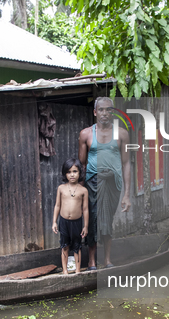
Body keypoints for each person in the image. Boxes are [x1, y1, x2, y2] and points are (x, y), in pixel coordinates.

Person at [78, 97, 131, 270]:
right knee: (92, 220)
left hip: (113, 183)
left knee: (107, 220)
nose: (105, 113)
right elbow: (82, 163)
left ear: (113, 113)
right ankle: (92, 261)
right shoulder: (86, 134)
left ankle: (107, 260)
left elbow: (126, 163)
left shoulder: (122, 133)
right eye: (101, 110)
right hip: (93, 182)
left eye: (109, 110)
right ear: (95, 112)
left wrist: (127, 194)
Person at [52, 158, 89, 274]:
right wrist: (54, 222)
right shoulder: (61, 188)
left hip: (77, 222)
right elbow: (57, 206)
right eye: (68, 172)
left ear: (80, 173)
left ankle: (77, 271)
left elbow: (85, 209)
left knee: (77, 247)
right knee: (65, 246)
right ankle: (65, 271)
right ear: (65, 174)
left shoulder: (83, 191)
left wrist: (86, 226)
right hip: (63, 222)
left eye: (74, 171)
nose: (72, 175)